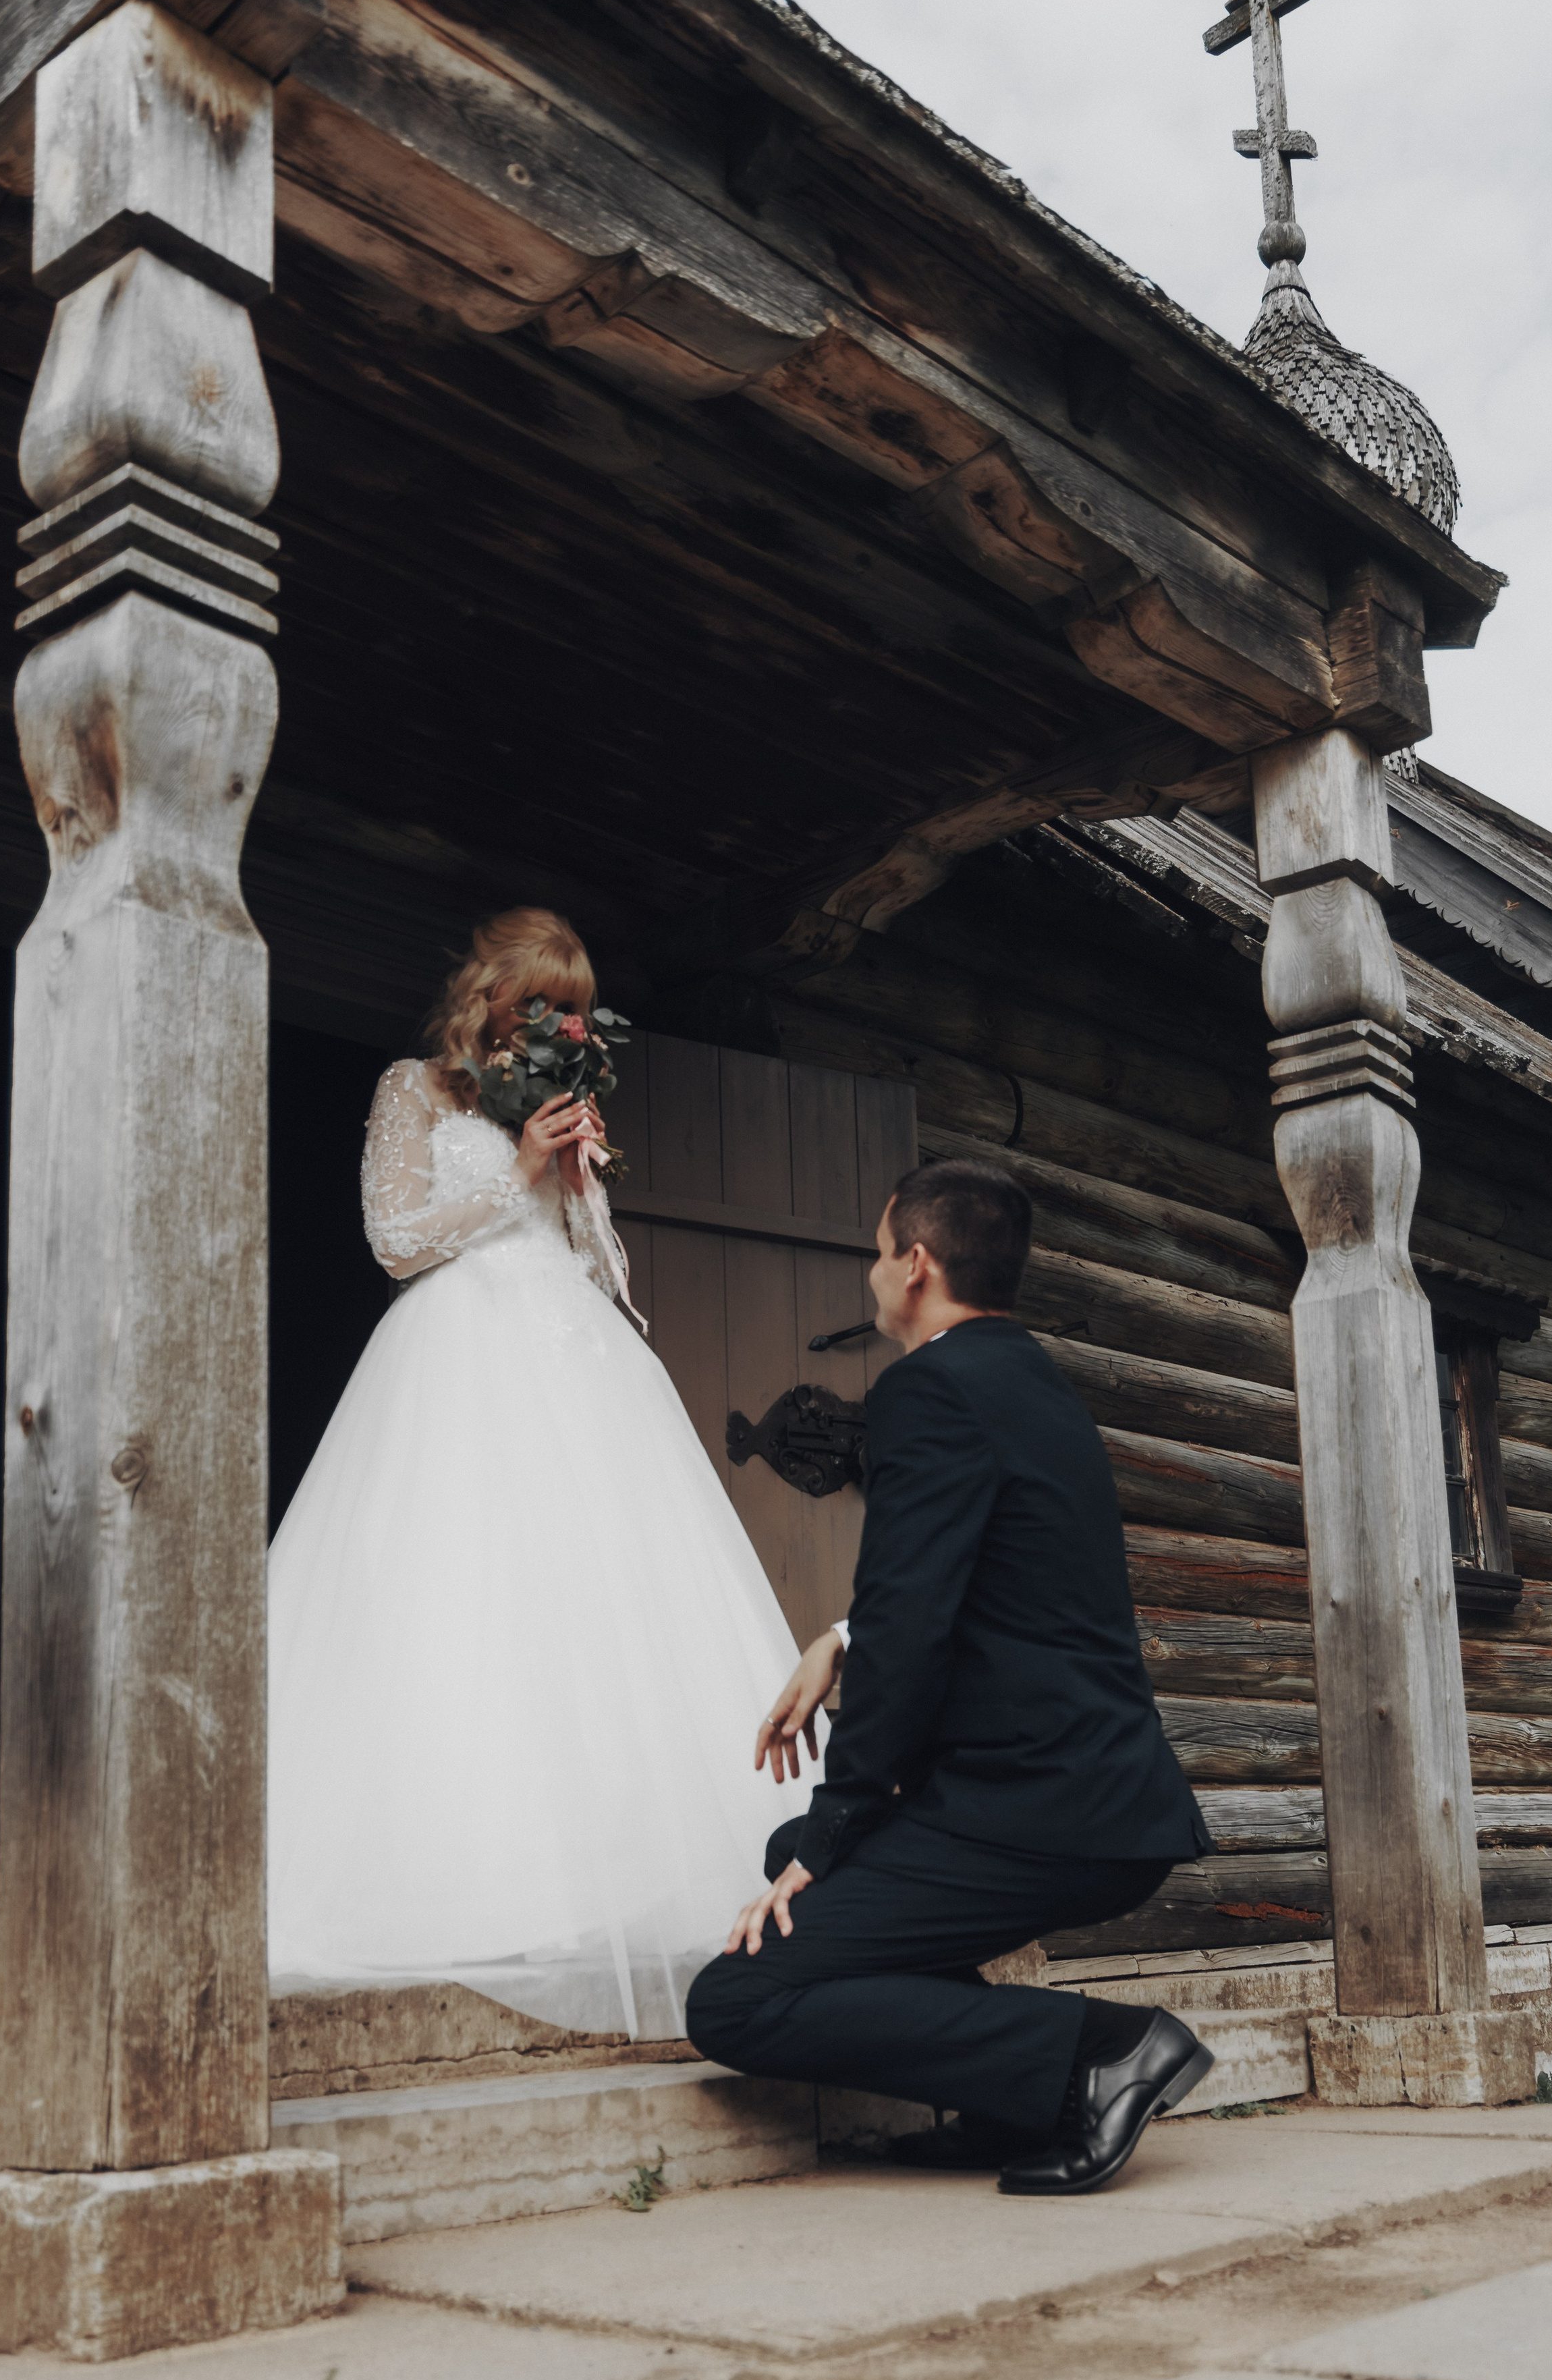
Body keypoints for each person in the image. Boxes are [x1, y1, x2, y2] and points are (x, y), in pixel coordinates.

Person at [267, 908, 802, 2039]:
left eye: (575, 1008)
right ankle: (466, 1883)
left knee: (597, 1606)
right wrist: (515, 1170)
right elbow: (395, 1239)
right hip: (455, 1350)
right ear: (491, 998)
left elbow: (594, 1264)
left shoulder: (556, 1105)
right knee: (457, 1594)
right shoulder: (414, 1088)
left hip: (574, 1350)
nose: (561, 1023)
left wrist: (577, 1175)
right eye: (544, 1003)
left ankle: (609, 1883)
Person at [685, 1159, 1217, 2194]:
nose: (871, 1273)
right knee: (789, 1850)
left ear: (917, 1263)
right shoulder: (1034, 1385)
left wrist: (833, 1831)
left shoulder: (926, 1388)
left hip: (1041, 1809)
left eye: (878, 1252)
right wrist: (840, 1635)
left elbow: (913, 1634)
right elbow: (987, 1577)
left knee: (737, 1999)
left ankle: (1103, 2053)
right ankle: (1007, 2098)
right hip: (1104, 1799)